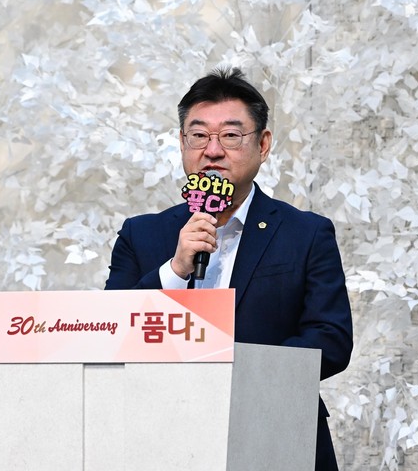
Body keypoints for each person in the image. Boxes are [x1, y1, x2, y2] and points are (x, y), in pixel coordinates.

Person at [105, 66, 353, 470]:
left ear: (263, 144)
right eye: (199, 136)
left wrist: (235, 374)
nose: (213, 150)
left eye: (231, 136)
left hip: (273, 430)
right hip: (162, 435)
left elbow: (331, 339)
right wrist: (175, 270)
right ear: (182, 143)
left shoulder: (306, 233)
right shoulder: (142, 234)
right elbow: (111, 332)